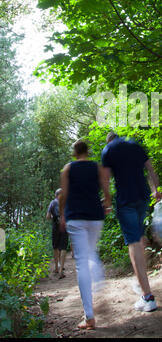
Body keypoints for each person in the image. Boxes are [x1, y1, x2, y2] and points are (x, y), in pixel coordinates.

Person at [101, 131, 162, 312]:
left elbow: (105, 179)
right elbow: (150, 168)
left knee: (133, 243)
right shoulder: (134, 143)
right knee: (139, 238)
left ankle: (148, 297)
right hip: (142, 198)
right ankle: (140, 279)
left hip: (126, 201)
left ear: (109, 140)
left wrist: (107, 200)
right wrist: (156, 189)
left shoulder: (108, 149)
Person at [59, 140, 105, 330]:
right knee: (91, 252)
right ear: (88, 151)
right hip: (95, 216)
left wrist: (62, 214)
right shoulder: (97, 167)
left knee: (81, 262)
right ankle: (98, 278)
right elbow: (106, 188)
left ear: (74, 153)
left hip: (76, 218)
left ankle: (89, 316)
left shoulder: (68, 169)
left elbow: (64, 194)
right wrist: (107, 203)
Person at [46, 188, 68, 279]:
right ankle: (61, 269)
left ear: (56, 195)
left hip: (55, 226)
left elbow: (47, 216)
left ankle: (56, 267)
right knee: (63, 247)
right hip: (65, 225)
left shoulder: (52, 203)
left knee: (55, 247)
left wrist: (52, 217)